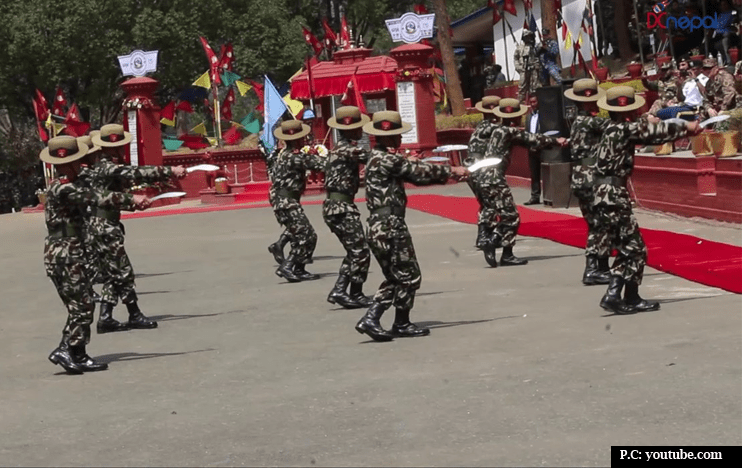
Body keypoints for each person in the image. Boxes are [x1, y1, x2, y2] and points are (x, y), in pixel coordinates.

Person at [355, 111, 468, 342]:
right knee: (408, 274)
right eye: (396, 135)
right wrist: (453, 171)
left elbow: (407, 168)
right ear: (389, 138)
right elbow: (419, 174)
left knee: (398, 275)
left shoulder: (376, 157)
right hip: (390, 225)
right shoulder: (387, 159)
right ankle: (379, 318)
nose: (399, 139)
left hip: (379, 225)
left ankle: (395, 320)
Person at [41, 136, 150, 374]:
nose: (81, 164)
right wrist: (132, 199)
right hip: (65, 255)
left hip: (65, 253)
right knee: (82, 305)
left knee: (81, 304)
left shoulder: (66, 183)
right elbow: (97, 198)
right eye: (77, 161)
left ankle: (73, 352)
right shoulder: (65, 188)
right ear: (68, 164)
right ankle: (69, 350)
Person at [593, 86, 701, 315]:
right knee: (636, 248)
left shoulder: (610, 128)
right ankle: (623, 296)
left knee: (627, 246)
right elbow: (657, 131)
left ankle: (620, 294)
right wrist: (687, 127)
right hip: (612, 194)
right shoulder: (624, 129)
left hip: (603, 193)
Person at [85, 125, 186, 333]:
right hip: (104, 227)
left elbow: (113, 196)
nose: (123, 148)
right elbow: (136, 173)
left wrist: (134, 202)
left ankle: (106, 317)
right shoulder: (107, 167)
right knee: (123, 271)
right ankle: (134, 313)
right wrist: (170, 171)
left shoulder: (106, 166)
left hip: (105, 224)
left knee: (114, 272)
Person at [466, 98, 566, 268]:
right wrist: (557, 141)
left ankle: (504, 251)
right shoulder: (508, 131)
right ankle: (494, 242)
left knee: (499, 212)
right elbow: (532, 139)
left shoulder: (498, 131)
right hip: (493, 177)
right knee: (511, 217)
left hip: (483, 176)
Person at [323, 106, 373, 309]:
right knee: (359, 251)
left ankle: (354, 292)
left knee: (357, 250)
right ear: (351, 130)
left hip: (341, 206)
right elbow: (373, 158)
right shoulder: (346, 149)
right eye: (358, 126)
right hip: (340, 207)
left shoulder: (343, 147)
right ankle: (341, 290)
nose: (362, 130)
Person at [563, 79, 612, 285]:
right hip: (591, 176)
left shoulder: (579, 120)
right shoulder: (588, 121)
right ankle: (594, 268)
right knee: (600, 222)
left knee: (597, 222)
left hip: (581, 176)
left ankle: (600, 266)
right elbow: (616, 126)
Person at [272, 120, 326, 282]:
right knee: (307, 235)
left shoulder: (285, 154)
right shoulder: (295, 157)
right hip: (287, 202)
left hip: (284, 200)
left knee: (301, 234)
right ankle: (288, 266)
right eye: (302, 137)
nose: (304, 140)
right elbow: (322, 164)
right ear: (296, 140)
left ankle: (299, 268)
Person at [259, 139, 291, 265]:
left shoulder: (279, 155)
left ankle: (284, 247)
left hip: (285, 194)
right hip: (281, 195)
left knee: (295, 225)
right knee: (297, 226)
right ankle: (280, 246)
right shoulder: (281, 156)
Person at [524, 95, 543, 205]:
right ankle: (535, 196)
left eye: (534, 102)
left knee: (545, 173)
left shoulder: (544, 115)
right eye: (530, 102)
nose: (532, 104)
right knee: (534, 173)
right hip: (531, 148)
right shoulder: (528, 116)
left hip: (542, 147)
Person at [514, 30, 542, 101]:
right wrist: (518, 67)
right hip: (523, 69)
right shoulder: (519, 48)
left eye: (530, 37)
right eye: (527, 37)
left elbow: (540, 57)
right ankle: (520, 104)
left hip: (534, 69)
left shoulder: (536, 47)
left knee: (534, 87)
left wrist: (537, 65)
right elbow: (515, 58)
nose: (528, 39)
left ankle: (534, 104)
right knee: (522, 87)